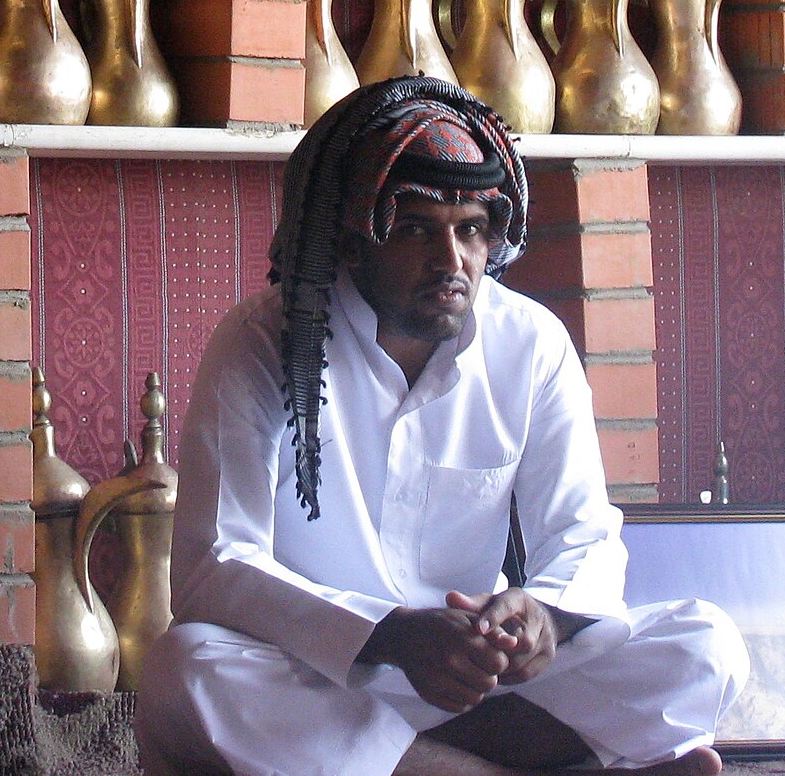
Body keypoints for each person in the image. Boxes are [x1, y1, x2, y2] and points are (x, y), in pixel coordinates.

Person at [136, 78, 748, 776]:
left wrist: (544, 615)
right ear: (353, 236)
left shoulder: (532, 344)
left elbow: (584, 535)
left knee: (708, 645)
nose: (451, 260)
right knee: (184, 669)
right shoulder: (266, 343)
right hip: (318, 682)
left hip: (479, 685)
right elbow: (214, 567)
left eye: (471, 229)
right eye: (417, 229)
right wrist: (388, 636)